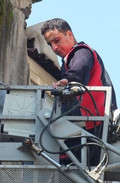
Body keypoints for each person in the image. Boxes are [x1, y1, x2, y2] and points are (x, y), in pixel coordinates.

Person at [41, 18, 117, 166]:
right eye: (50, 44)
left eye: (57, 40)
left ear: (69, 34)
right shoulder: (69, 60)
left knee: (68, 164)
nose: (54, 47)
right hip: (85, 126)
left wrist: (67, 81)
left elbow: (79, 69)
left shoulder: (81, 51)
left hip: (92, 126)